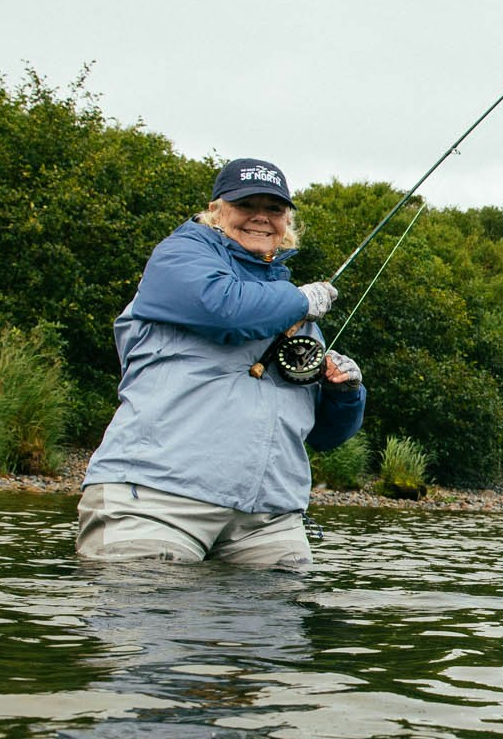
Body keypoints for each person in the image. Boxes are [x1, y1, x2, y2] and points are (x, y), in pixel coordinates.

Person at [78, 158, 367, 569]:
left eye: (274, 209)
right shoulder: (179, 258)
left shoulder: (290, 310)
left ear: (287, 221)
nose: (261, 218)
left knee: (279, 627)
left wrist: (345, 392)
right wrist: (301, 299)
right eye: (247, 204)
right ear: (216, 210)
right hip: (155, 497)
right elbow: (225, 309)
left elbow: (324, 436)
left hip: (268, 516)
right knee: (144, 611)